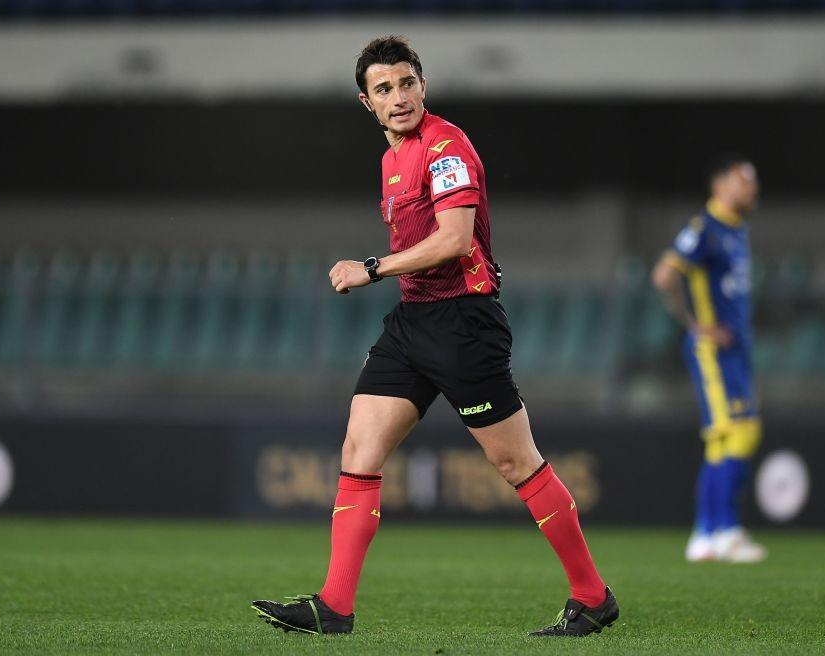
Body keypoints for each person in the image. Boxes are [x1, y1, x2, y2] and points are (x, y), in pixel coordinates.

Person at [251, 35, 618, 637]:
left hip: (464, 322)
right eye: (383, 89)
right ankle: (335, 605)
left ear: (424, 85)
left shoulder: (445, 146)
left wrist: (370, 268)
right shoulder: (391, 160)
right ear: (366, 102)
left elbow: (454, 241)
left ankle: (592, 595)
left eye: (406, 83)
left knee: (515, 463)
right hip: (413, 323)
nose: (398, 98)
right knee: (358, 452)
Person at [651, 154, 767, 563]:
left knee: (731, 438)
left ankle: (713, 534)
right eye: (742, 182)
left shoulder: (737, 231)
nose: (750, 190)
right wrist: (695, 324)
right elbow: (665, 274)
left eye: (752, 183)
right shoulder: (705, 229)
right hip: (713, 350)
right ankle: (716, 531)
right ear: (719, 185)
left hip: (735, 349)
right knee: (734, 433)